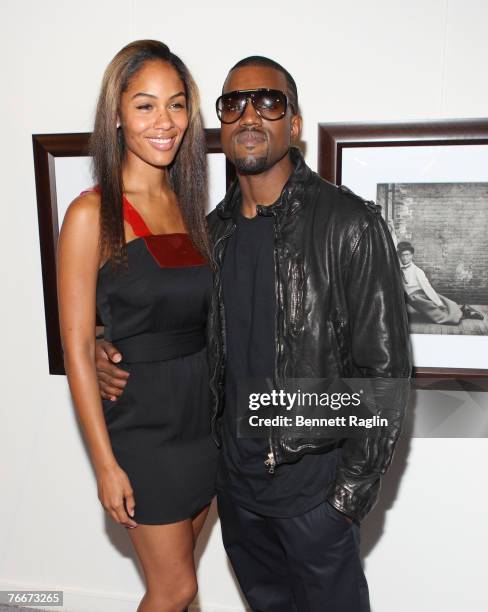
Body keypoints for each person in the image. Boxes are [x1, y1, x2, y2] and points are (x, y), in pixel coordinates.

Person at [97, 56, 411, 611]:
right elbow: (164, 319)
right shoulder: (207, 234)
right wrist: (104, 344)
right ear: (219, 125)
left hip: (314, 498)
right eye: (233, 104)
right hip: (237, 494)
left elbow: (385, 374)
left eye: (269, 102)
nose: (249, 115)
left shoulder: (349, 223)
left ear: (293, 124)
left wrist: (344, 498)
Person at [57, 40, 219, 612]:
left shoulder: (189, 206)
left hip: (205, 422)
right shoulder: (89, 214)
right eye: (146, 105)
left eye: (177, 105)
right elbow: (77, 345)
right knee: (175, 589)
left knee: (179, 584)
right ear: (118, 115)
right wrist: (105, 466)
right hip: (144, 431)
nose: (165, 122)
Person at [397, 241, 484, 324]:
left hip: (419, 297)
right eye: (402, 255)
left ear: (412, 255)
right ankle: (462, 310)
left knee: (439, 314)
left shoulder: (417, 271)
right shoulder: (399, 269)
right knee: (437, 310)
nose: (405, 258)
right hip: (411, 298)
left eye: (407, 255)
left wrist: (438, 302)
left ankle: (463, 312)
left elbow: (427, 288)